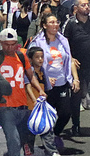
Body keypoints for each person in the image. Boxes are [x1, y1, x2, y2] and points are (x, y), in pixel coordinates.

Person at [0, 29, 32, 156]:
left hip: (22, 105)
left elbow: (30, 76)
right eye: (6, 44)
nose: (10, 47)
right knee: (14, 139)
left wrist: (40, 92)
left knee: (20, 140)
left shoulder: (22, 56)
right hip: (4, 106)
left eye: (13, 44)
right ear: (1, 44)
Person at [28, 12, 77, 141]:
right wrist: (44, 78)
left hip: (62, 82)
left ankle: (55, 135)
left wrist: (74, 78)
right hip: (46, 86)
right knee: (47, 116)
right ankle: (49, 145)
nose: (55, 25)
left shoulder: (63, 40)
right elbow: (30, 64)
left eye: (57, 22)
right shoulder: (37, 42)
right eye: (51, 22)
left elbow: (69, 59)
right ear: (44, 25)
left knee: (65, 113)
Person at [62, 0, 90, 137]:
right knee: (76, 97)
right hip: (77, 68)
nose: (87, 7)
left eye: (88, 5)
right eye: (83, 5)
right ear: (77, 8)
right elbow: (65, 45)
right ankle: (76, 125)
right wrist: (71, 58)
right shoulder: (71, 24)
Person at [24, 46, 63, 156]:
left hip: (41, 107)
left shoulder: (43, 71)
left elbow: (47, 88)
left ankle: (52, 153)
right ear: (30, 59)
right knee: (30, 133)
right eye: (37, 57)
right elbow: (28, 86)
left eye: (42, 57)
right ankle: (28, 154)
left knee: (47, 129)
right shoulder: (29, 71)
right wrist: (34, 99)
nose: (40, 59)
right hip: (30, 107)